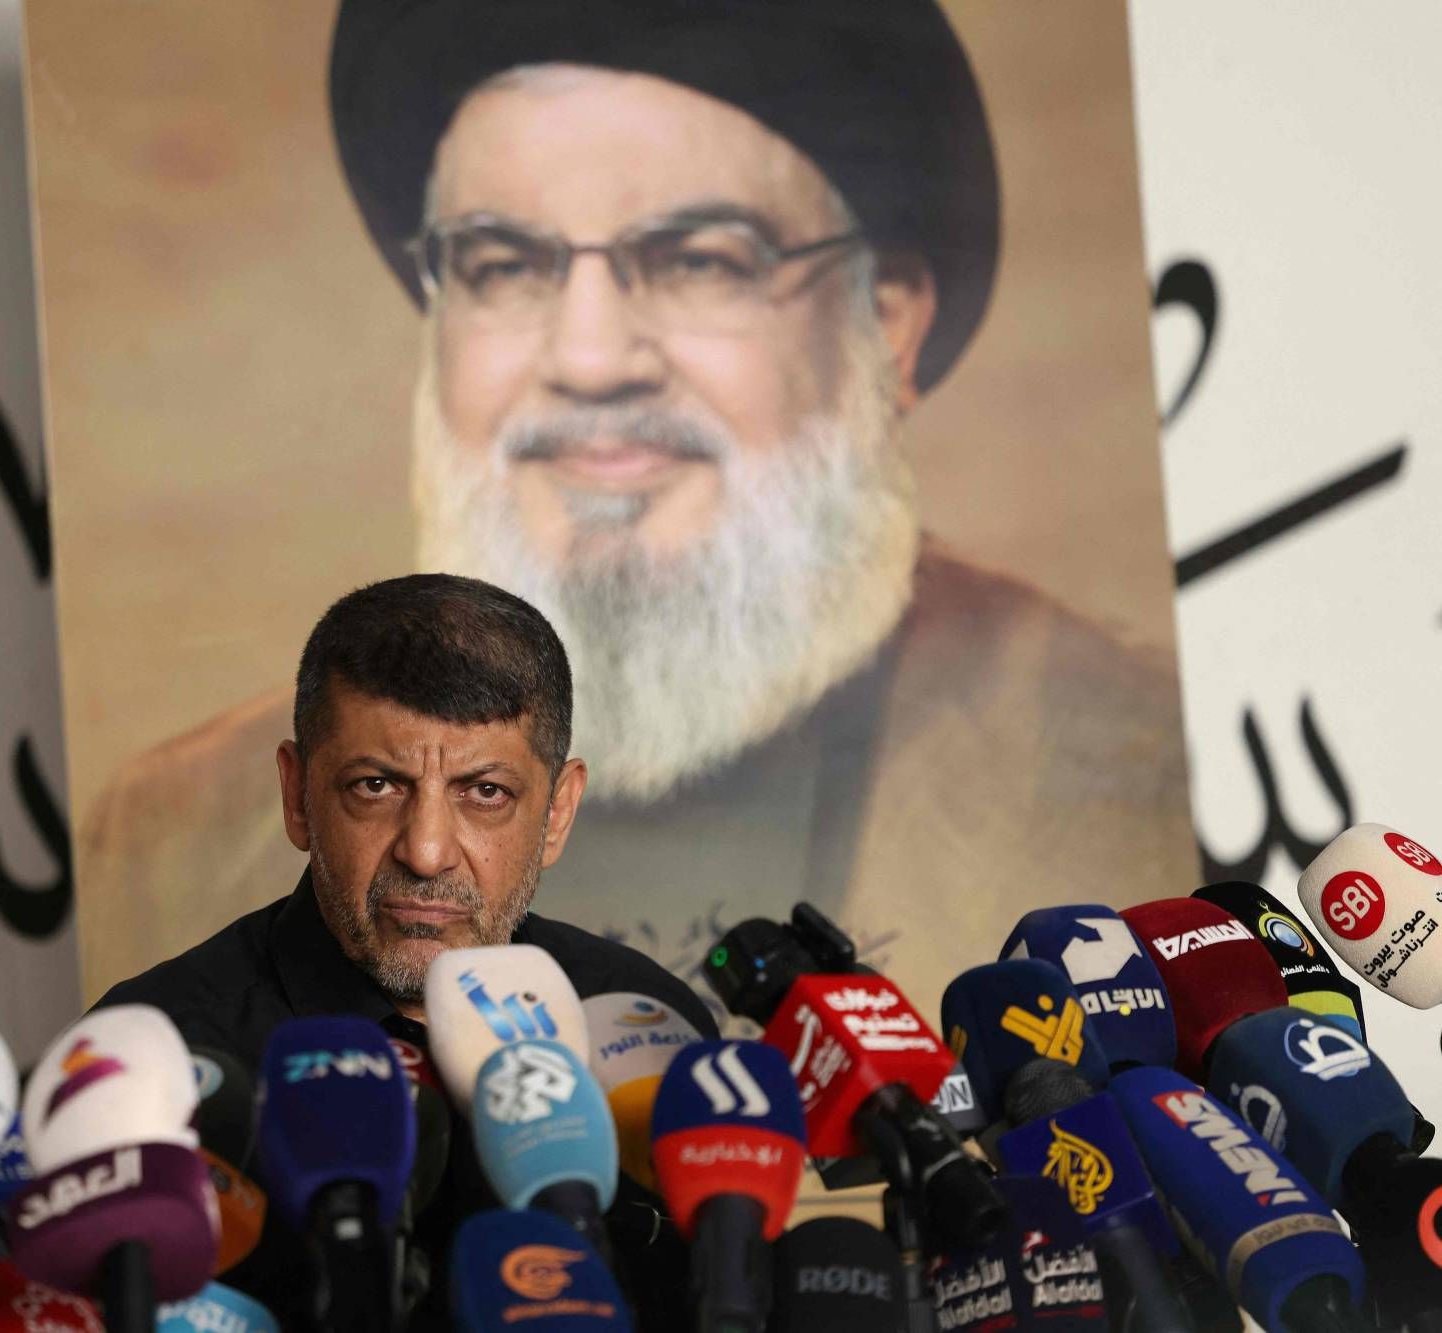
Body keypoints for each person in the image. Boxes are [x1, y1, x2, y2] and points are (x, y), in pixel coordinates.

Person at [80, 0, 1196, 1016]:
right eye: (503, 263)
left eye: (700, 260)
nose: (589, 357)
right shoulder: (168, 842)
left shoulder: (1118, 763)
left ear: (886, 321)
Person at [92, 573, 716, 1325]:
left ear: (557, 812)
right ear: (297, 795)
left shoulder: (643, 1022)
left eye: (485, 792)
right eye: (375, 786)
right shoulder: (156, 1050)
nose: (426, 851)